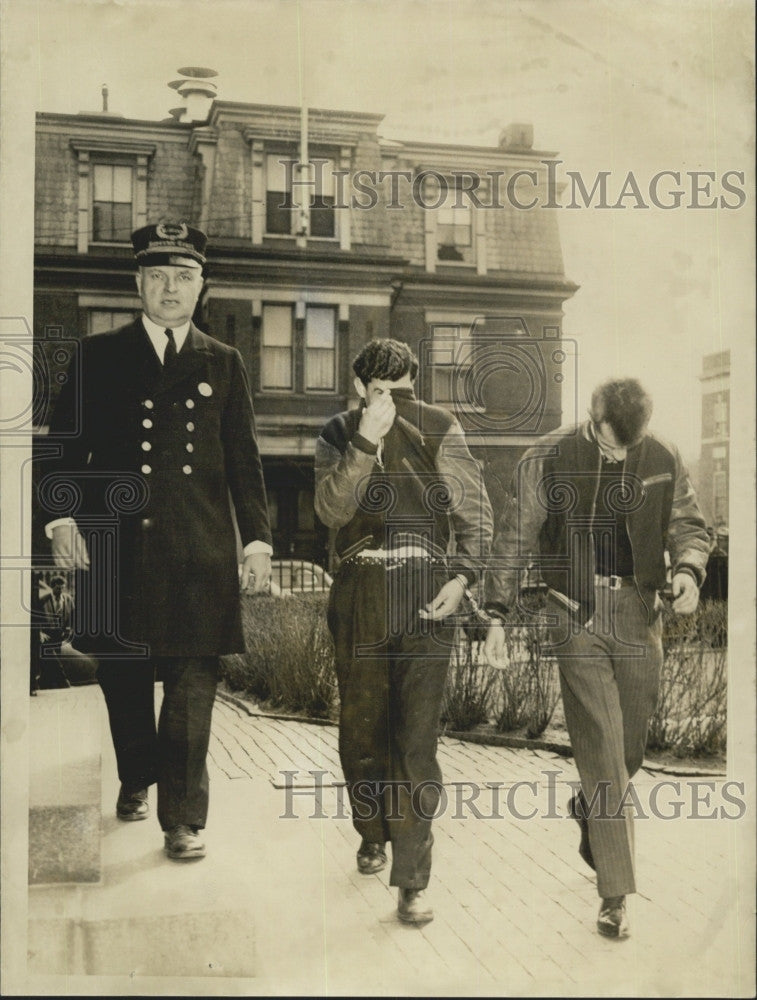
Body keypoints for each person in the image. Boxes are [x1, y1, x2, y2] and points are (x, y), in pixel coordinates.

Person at [41, 220, 272, 861]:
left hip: (200, 556)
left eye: (185, 277)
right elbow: (62, 449)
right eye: (159, 276)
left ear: (202, 287)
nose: (171, 288)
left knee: (194, 688)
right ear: (139, 283)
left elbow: (244, 461)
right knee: (125, 678)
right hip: (117, 554)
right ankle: (135, 775)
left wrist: (257, 541)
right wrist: (62, 521)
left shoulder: (223, 363)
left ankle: (183, 819)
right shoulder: (99, 356)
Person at [483, 377, 709, 939]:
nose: (618, 456)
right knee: (604, 753)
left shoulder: (663, 453)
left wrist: (687, 571)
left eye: (626, 449)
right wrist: (494, 613)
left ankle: (589, 805)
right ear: (592, 419)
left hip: (639, 610)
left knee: (627, 749)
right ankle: (615, 895)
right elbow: (515, 535)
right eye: (609, 446)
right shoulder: (552, 454)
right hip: (573, 611)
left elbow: (689, 524)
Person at [315, 338, 493, 924]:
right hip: (361, 590)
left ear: (418, 381)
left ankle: (413, 879)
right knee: (362, 732)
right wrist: (366, 438)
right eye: (383, 391)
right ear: (361, 388)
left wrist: (463, 578)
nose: (398, 402)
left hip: (426, 595)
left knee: (417, 742)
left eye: (405, 391)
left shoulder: (441, 426)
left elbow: (473, 513)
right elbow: (333, 511)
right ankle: (372, 830)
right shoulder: (339, 432)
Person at [37, 574, 73, 689]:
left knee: (56, 656)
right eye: (58, 588)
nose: (61, 590)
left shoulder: (68, 599)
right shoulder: (43, 600)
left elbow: (73, 615)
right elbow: (37, 618)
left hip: (61, 633)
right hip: (47, 633)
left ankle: (48, 682)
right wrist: (40, 632)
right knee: (49, 656)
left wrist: (69, 629)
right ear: (52, 587)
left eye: (63, 588)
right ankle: (62, 681)